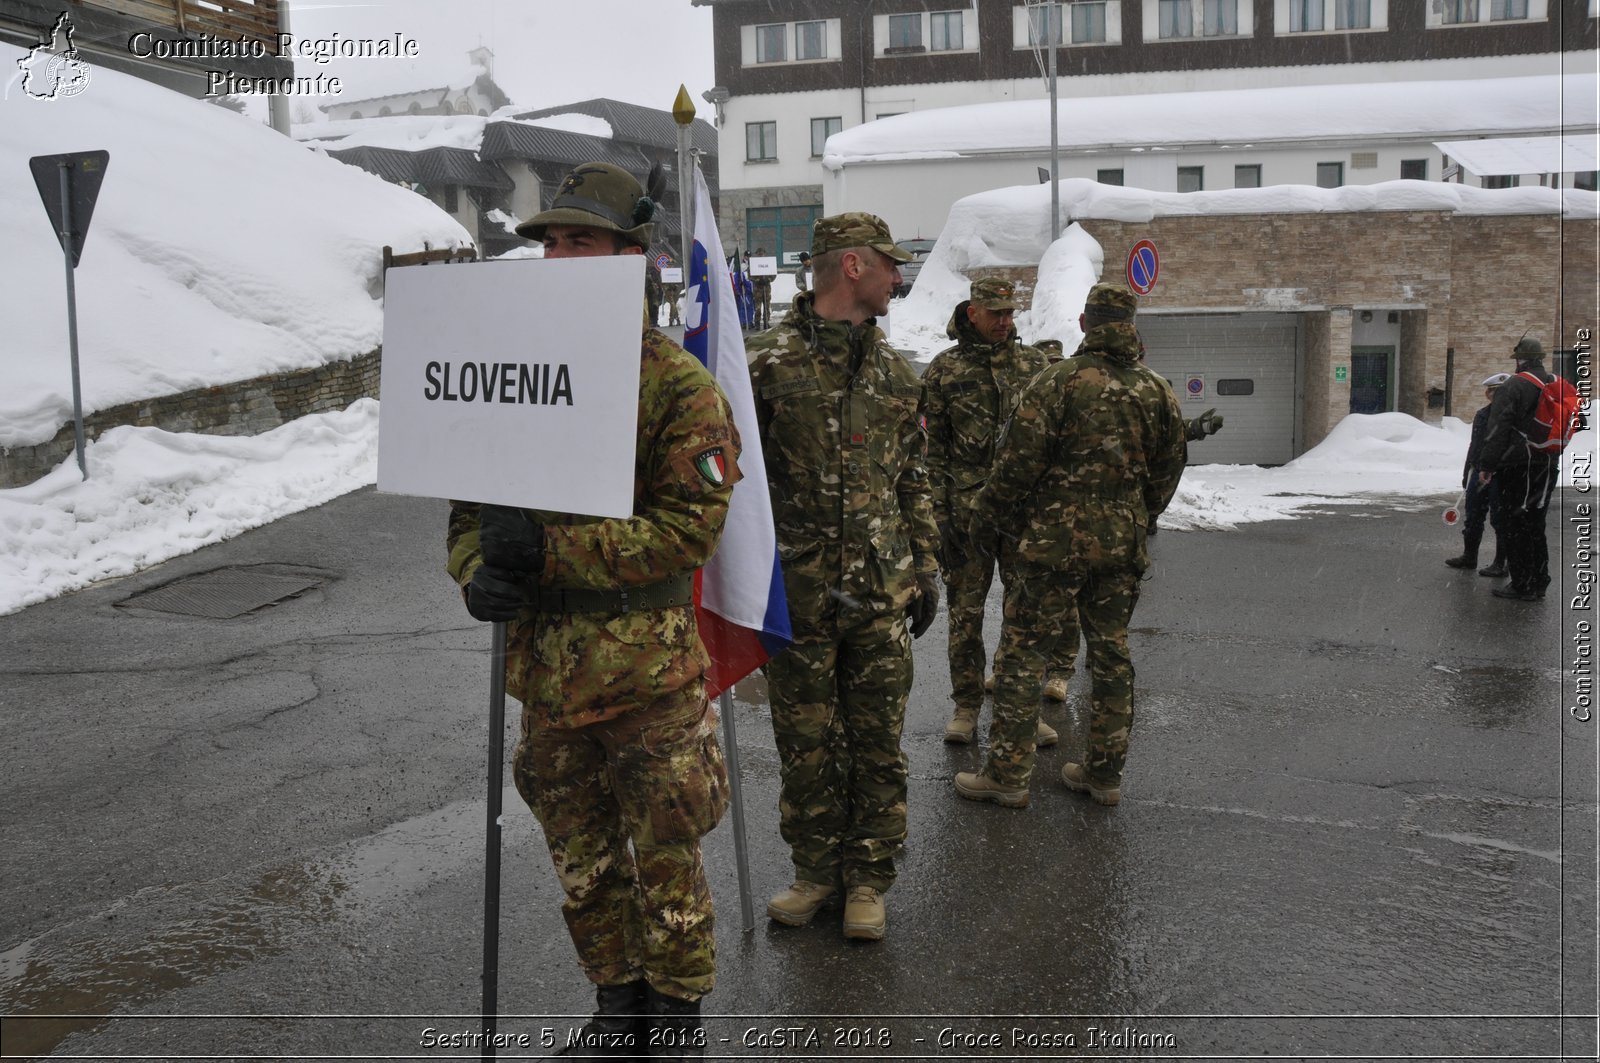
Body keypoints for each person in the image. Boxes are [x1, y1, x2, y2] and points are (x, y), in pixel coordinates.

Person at [445, 160, 741, 1058]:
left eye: (583, 239)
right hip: (546, 678)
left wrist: (551, 554)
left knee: (666, 862)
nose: (562, 254)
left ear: (629, 256)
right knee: (583, 865)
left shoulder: (678, 388)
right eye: (551, 240)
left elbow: (689, 529)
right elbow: (466, 508)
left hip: (644, 679)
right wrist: (475, 574)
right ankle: (617, 1012)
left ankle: (676, 1022)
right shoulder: (512, 372)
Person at [747, 212, 939, 941]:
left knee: (878, 741)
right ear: (853, 266)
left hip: (882, 593)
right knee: (806, 742)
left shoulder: (896, 374)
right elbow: (728, 481)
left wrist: (925, 568)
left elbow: (915, 479)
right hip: (795, 592)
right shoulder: (764, 363)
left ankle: (867, 879)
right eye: (891, 264)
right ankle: (815, 871)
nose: (900, 277)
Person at [954, 283, 1186, 810]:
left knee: (1022, 653)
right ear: (1132, 323)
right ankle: (1103, 774)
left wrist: (987, 520)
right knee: (1111, 654)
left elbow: (1016, 466)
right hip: (1119, 549)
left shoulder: (1054, 383)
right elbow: (1169, 471)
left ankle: (1008, 776)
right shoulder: (1157, 390)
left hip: (1050, 545)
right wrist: (1135, 514)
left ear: (1085, 323)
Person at [923, 279, 1065, 744]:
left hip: (1021, 513)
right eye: (996, 313)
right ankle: (965, 707)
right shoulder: (944, 370)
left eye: (1010, 314)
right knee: (965, 616)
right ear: (973, 313)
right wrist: (939, 519)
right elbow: (932, 452)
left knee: (1024, 616)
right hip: (966, 519)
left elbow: (1051, 442)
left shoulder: (1034, 366)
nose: (1006, 322)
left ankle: (1020, 708)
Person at [1477, 336, 1560, 601]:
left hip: (1518, 466)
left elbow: (1498, 429)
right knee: (1535, 523)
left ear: (1520, 359)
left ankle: (1522, 582)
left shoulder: (1515, 386)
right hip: (1546, 462)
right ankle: (1539, 579)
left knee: (1515, 524)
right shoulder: (1553, 383)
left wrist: (1487, 464)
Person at [1445, 372, 1510, 577]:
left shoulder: (1510, 416)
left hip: (1500, 473)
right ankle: (1469, 556)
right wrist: (1467, 471)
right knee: (1473, 516)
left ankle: (1501, 562)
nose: (1488, 394)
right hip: (1478, 471)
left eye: (1492, 391)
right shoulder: (1482, 414)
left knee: (1500, 520)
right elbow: (1475, 445)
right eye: (1489, 391)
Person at [751, 246, 774, 329]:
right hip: (757, 289)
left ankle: (766, 322)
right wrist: (757, 280)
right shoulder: (753, 264)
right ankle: (757, 323)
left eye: (762, 254)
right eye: (759, 254)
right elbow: (750, 276)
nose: (761, 256)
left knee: (767, 307)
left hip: (766, 288)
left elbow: (773, 274)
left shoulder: (769, 263)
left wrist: (768, 279)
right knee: (758, 308)